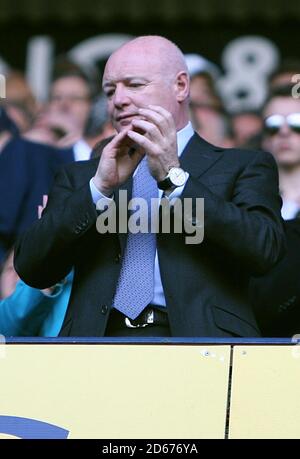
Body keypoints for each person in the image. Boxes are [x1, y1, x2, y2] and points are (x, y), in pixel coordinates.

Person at [14, 35, 285, 337]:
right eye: (109, 90)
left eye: (135, 85)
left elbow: (265, 252)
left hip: (205, 347)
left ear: (181, 86)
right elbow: (33, 268)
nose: (118, 99)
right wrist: (98, 190)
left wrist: (176, 179)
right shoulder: (80, 178)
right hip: (97, 347)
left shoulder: (241, 166)